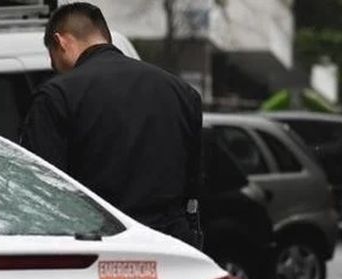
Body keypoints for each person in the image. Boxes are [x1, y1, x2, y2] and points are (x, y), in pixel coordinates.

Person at [20, 2, 204, 248]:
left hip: (97, 247)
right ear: (104, 37)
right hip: (171, 247)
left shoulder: (57, 96)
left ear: (61, 42)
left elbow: (44, 191)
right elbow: (195, 182)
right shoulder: (182, 92)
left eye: (54, 61)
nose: (56, 69)